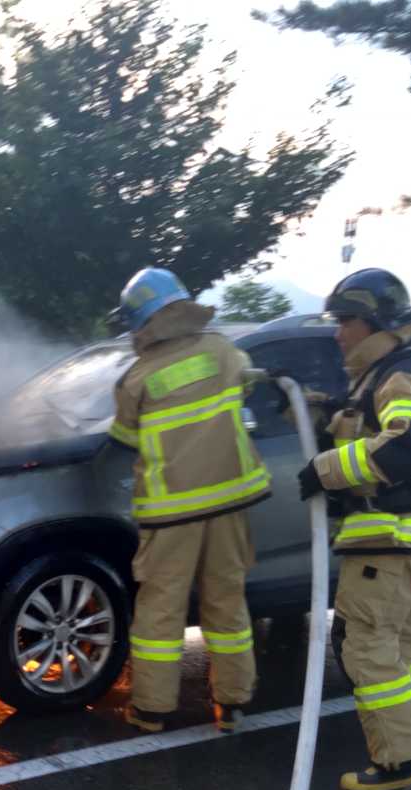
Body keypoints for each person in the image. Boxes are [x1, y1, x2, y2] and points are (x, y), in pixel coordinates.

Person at [297, 268, 411, 790]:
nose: (338, 332)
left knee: (364, 644)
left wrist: (324, 470)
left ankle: (401, 762)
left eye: (346, 321)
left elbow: (405, 447)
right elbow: (368, 427)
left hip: (388, 541)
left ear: (375, 323)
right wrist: (320, 409)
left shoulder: (399, 376)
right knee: (408, 640)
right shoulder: (387, 374)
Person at [109, 267, 272, 734]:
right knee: (227, 601)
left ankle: (151, 710)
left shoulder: (136, 379)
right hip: (228, 502)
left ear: (140, 323)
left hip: (171, 513)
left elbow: (124, 440)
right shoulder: (223, 352)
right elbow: (247, 385)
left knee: (161, 609)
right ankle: (233, 703)